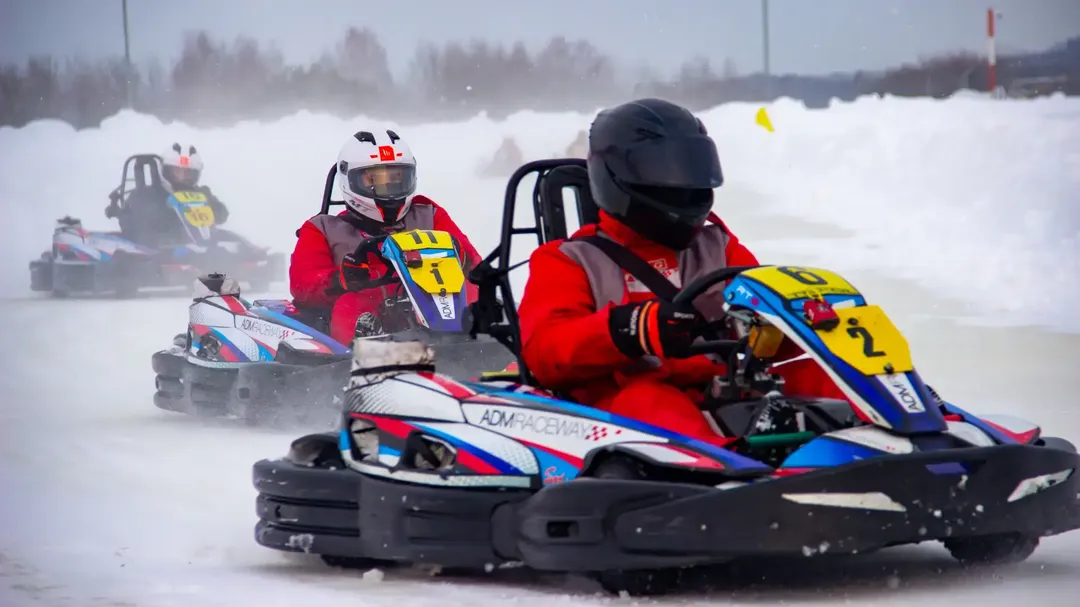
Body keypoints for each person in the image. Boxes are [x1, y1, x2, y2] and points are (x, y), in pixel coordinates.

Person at [516, 98, 848, 445]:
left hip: (729, 389)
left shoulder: (718, 245)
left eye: (687, 171)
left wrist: (790, 322)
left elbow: (764, 317)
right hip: (626, 411)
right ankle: (733, 480)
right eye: (667, 174)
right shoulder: (569, 259)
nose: (682, 187)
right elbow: (546, 353)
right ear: (617, 178)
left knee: (831, 374)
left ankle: (893, 447)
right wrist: (631, 329)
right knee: (649, 399)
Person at [290, 129, 482, 346]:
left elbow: (475, 264)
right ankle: (361, 356)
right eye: (374, 179)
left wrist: (457, 259)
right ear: (349, 180)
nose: (388, 188)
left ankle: (485, 346)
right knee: (351, 304)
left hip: (439, 305)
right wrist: (342, 277)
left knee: (472, 289)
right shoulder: (322, 228)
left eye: (397, 178)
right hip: (369, 317)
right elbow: (302, 286)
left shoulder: (428, 214)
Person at [106, 143, 230, 245]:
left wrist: (213, 212)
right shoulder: (148, 194)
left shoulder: (202, 193)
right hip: (162, 250)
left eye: (188, 174)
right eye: (178, 172)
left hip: (201, 248)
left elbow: (222, 213)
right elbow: (131, 224)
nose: (182, 178)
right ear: (165, 171)